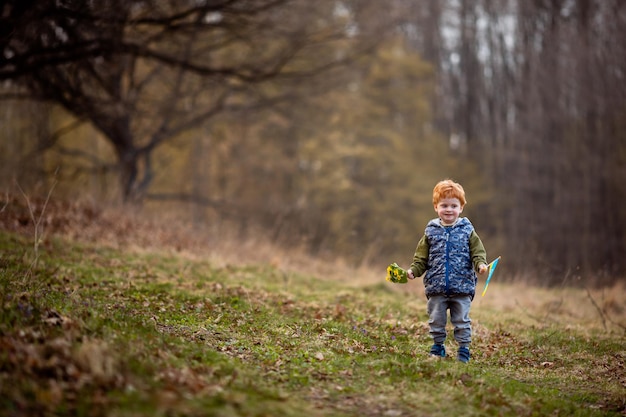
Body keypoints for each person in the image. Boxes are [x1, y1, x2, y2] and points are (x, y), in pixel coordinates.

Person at [407, 179, 488, 363]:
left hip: (462, 287)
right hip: (436, 287)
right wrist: (413, 271)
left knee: (462, 321)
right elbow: (421, 258)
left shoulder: (467, 230)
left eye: (454, 205)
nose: (449, 209)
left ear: (461, 208)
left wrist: (481, 265)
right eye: (444, 205)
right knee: (436, 320)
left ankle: (463, 350)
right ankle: (438, 347)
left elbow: (478, 252)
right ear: (436, 207)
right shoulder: (431, 231)